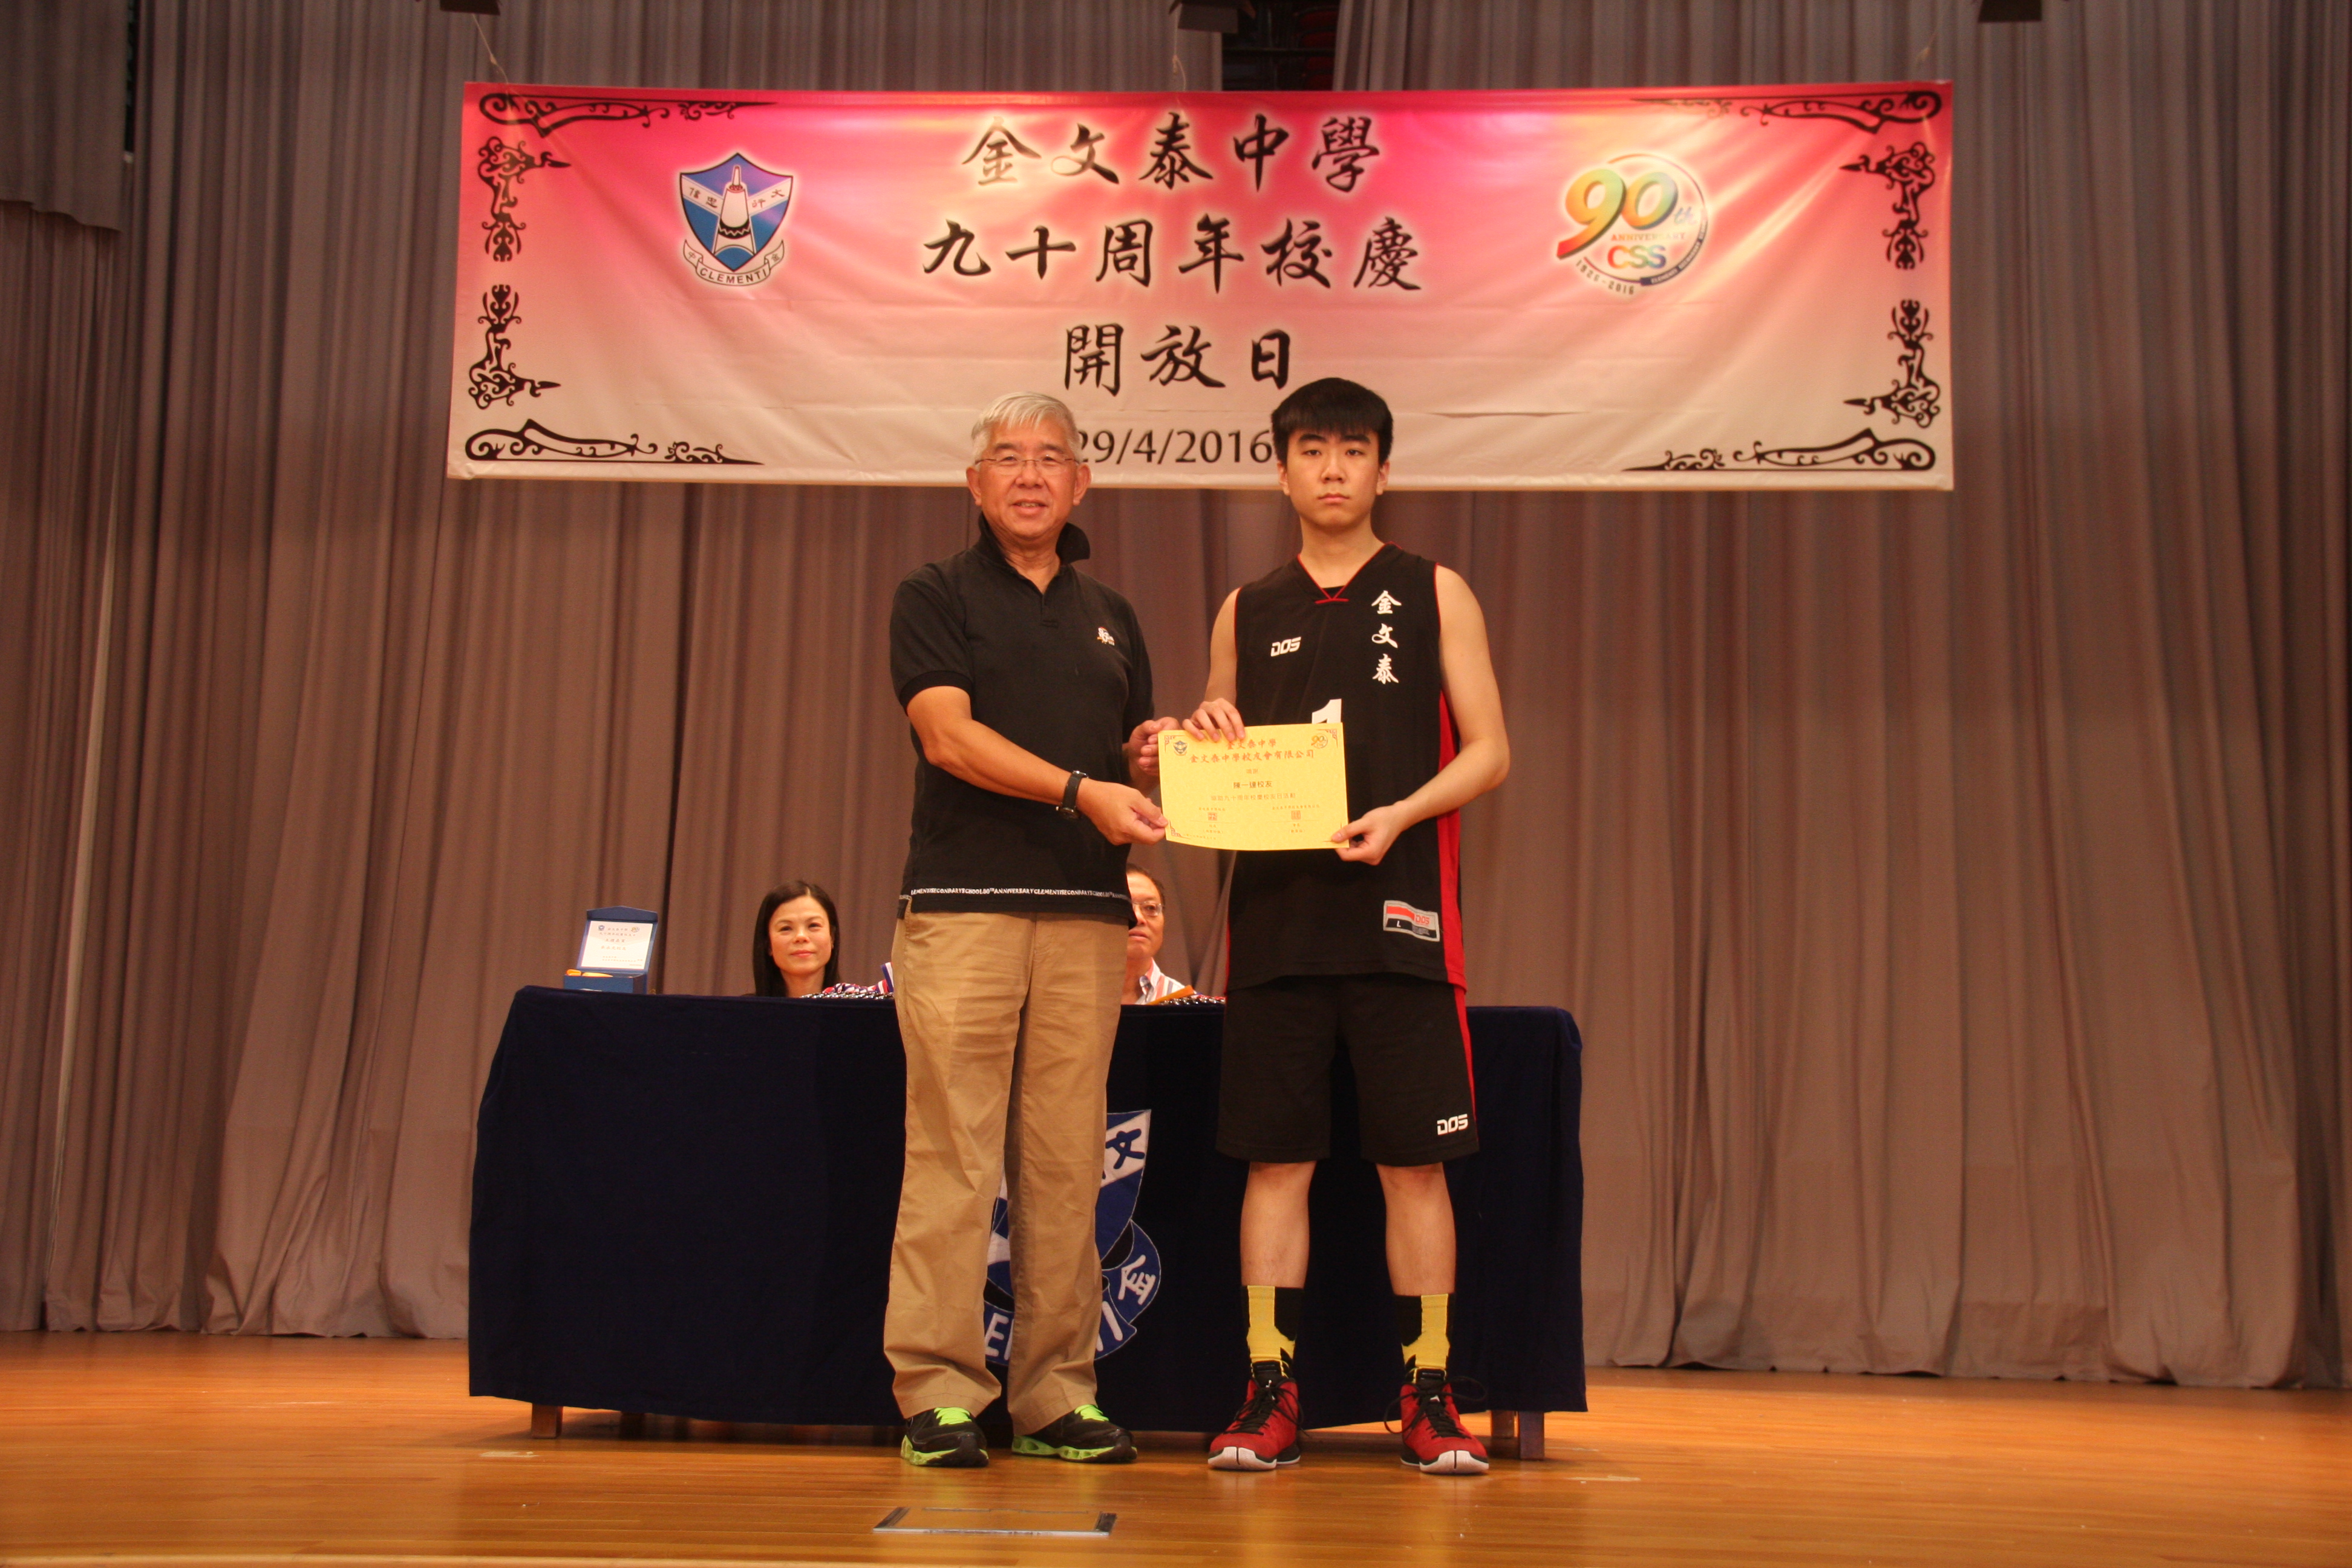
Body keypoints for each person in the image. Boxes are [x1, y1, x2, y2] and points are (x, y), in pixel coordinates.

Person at [1184, 378, 1510, 1477]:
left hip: (1402, 924)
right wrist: (1205, 731)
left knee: (1414, 1167)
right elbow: (1217, 751)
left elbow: (1490, 749)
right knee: (1275, 1162)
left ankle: (1431, 1394)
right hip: (1275, 929)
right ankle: (1266, 1388)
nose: (1332, 467)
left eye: (1353, 449)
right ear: (1280, 471)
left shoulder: (1434, 590)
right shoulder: (1245, 606)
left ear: (1383, 469)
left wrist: (1402, 813)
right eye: (1312, 449)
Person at [884, 391, 1177, 1469]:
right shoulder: (934, 593)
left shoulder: (1113, 613)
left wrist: (1150, 759)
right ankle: (939, 1392)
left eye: (1051, 457)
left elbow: (1126, 755)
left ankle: (1056, 1393)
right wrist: (1082, 791)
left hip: (1089, 916)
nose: (1029, 474)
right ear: (975, 483)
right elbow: (948, 738)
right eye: (1007, 457)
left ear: (1081, 483)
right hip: (964, 908)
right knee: (953, 1156)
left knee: (1064, 1163)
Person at [749, 881, 890, 999]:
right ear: (768, 944)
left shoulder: (859, 1008)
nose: (801, 937)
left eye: (813, 925)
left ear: (832, 937)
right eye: (786, 928)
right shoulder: (744, 1014)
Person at [1122, 866, 1196, 1004]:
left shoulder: (1185, 1005)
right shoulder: (1077, 994)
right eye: (1125, 906)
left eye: (1150, 908)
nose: (1138, 918)